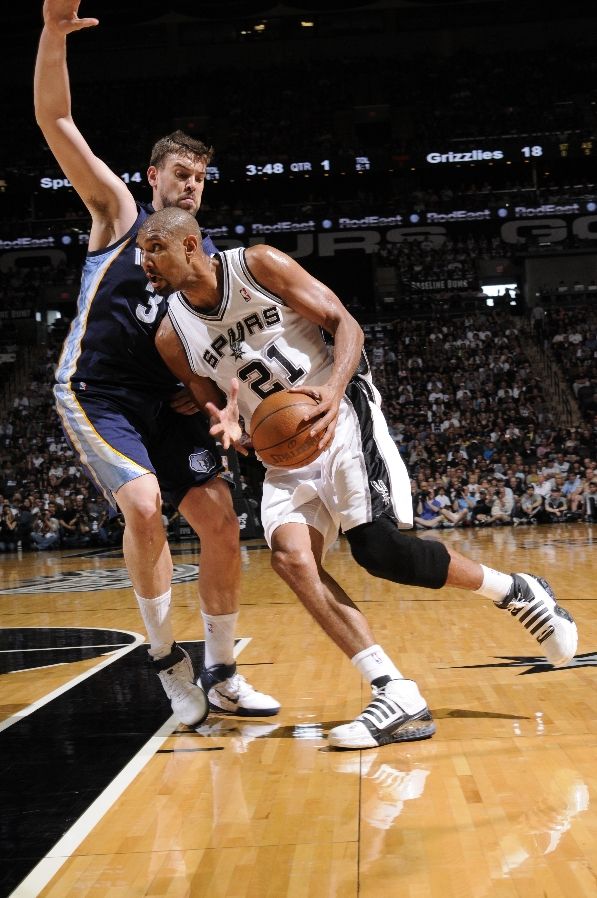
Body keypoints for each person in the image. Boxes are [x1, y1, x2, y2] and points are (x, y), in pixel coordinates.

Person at [137, 207, 578, 750]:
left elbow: (346, 323)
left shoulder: (256, 265)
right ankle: (394, 692)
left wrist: (335, 387)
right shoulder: (170, 333)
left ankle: (514, 590)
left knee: (380, 552)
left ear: (190, 246)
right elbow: (207, 395)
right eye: (140, 250)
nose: (145, 260)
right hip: (281, 451)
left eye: (154, 246)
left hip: (339, 413)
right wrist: (223, 422)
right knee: (291, 560)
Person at [33, 1, 279, 724]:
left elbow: (219, 345)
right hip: (98, 391)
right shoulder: (117, 214)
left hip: (165, 402)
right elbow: (57, 124)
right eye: (180, 172)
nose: (191, 183)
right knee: (142, 507)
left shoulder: (201, 258)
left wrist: (209, 397)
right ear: (152, 175)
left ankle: (224, 673)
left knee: (224, 524)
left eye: (200, 176)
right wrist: (52, 36)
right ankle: (167, 661)